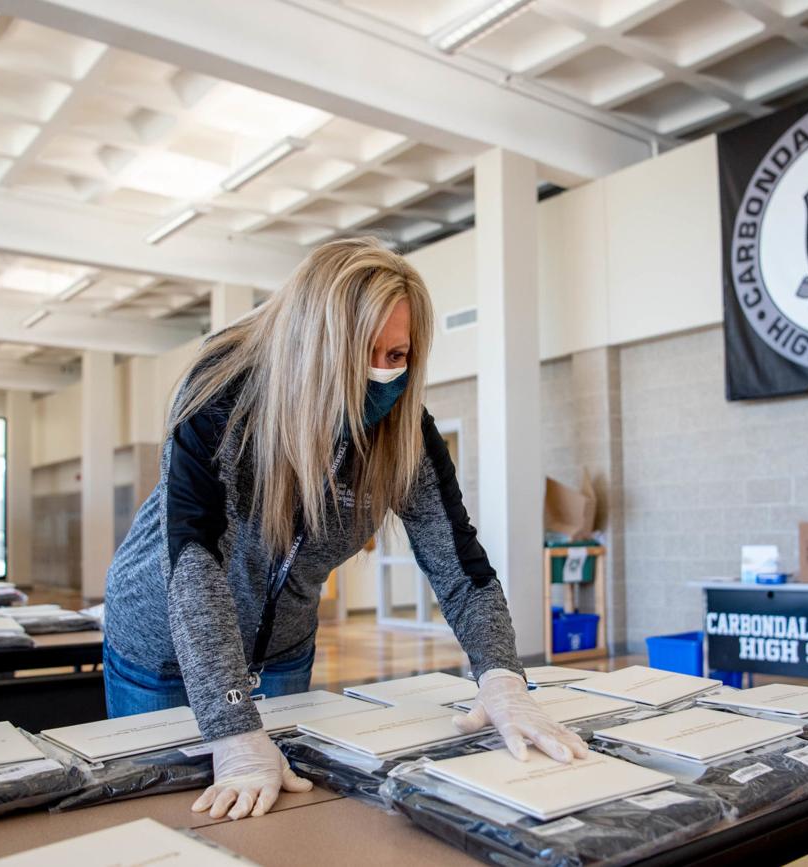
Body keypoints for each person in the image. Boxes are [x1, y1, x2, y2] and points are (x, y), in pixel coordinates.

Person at [103, 237, 588, 822]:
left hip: (282, 649)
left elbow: (459, 567)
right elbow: (196, 561)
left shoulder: (406, 432)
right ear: (316, 343)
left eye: (398, 354)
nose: (383, 374)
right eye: (366, 351)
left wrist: (503, 677)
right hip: (164, 645)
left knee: (282, 823)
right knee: (170, 824)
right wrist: (231, 729)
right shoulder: (224, 394)